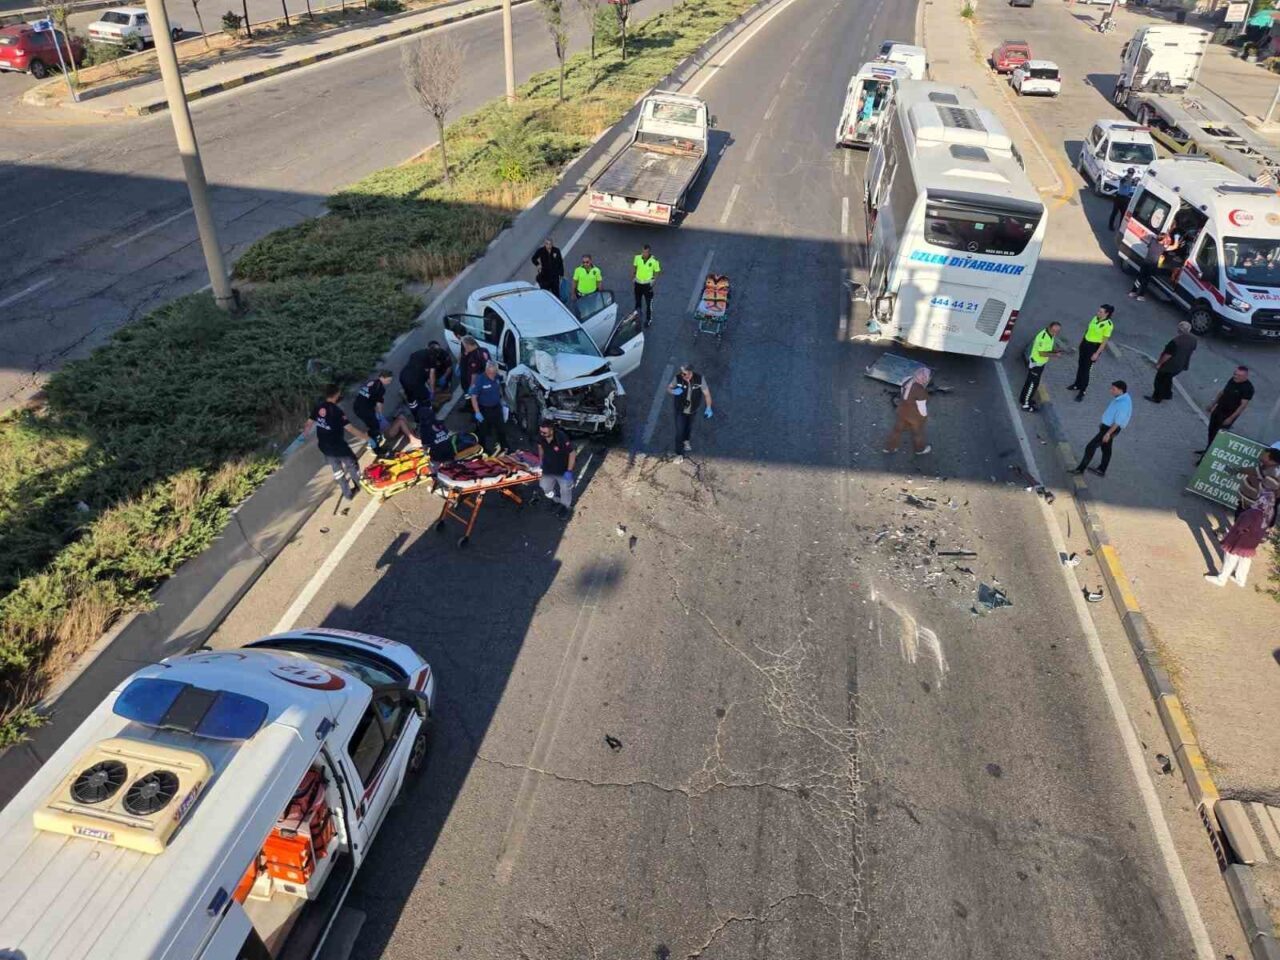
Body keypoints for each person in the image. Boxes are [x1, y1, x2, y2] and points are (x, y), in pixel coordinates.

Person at [305, 384, 368, 501]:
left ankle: (347, 494)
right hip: (338, 446)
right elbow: (350, 429)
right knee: (351, 463)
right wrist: (365, 437)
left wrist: (304, 433)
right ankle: (360, 485)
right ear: (336, 395)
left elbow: (309, 423)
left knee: (337, 469)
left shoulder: (319, 407)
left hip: (324, 446)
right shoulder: (336, 411)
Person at [1205, 490, 1274, 588]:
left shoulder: (1253, 512)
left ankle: (1221, 579)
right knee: (1245, 560)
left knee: (1230, 557)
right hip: (1252, 542)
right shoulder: (1269, 512)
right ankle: (1240, 580)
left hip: (1239, 540)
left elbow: (1241, 526)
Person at [1071, 380, 1132, 478]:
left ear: (1121, 390)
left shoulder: (1123, 404)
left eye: (1113, 389)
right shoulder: (1121, 397)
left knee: (1090, 447)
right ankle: (1101, 470)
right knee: (1106, 449)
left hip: (1109, 429)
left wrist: (1108, 434)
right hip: (1107, 427)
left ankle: (1080, 469)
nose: (1110, 391)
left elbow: (1117, 422)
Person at [1197, 366, 1254, 461]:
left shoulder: (1248, 388)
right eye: (1235, 374)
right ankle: (1208, 449)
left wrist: (1231, 418)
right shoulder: (1233, 380)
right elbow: (1222, 392)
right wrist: (1213, 404)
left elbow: (1242, 406)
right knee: (1211, 431)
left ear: (1246, 376)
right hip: (1218, 410)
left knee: (1217, 436)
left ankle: (1205, 458)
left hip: (1227, 415)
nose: (1235, 376)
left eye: (1239, 375)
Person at [353, 370, 416, 455]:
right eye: (388, 380)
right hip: (365, 410)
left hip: (358, 407)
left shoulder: (372, 382)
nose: (389, 382)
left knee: (376, 425)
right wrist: (380, 414)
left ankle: (411, 432)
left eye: (390, 380)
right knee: (374, 428)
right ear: (382, 377)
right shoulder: (380, 388)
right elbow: (379, 403)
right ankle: (375, 447)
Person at [1066, 305, 1115, 401]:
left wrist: (1097, 353)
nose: (1098, 313)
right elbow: (1088, 330)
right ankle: (1077, 384)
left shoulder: (1108, 325)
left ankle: (1082, 391)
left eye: (1101, 312)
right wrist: (1081, 343)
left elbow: (1104, 342)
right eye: (1099, 311)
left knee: (1086, 370)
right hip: (1085, 344)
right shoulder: (1095, 318)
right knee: (1080, 365)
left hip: (1094, 347)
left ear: (1106, 313)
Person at [882, 366, 932, 455]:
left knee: (897, 430)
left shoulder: (907, 380)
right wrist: (924, 417)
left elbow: (903, 393)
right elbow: (922, 409)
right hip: (914, 416)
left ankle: (889, 448)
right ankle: (920, 450)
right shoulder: (920, 392)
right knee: (917, 433)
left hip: (902, 411)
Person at [668, 364, 713, 457]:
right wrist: (673, 391)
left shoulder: (700, 379)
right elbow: (669, 387)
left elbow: (707, 394)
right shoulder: (678, 378)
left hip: (693, 410)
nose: (683, 376)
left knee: (688, 427)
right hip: (680, 410)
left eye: (685, 374)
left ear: (690, 373)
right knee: (679, 431)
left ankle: (686, 441)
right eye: (682, 373)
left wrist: (708, 408)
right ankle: (679, 454)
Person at [1147, 320, 1196, 403]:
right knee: (1168, 378)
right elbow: (1192, 350)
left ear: (1179, 330)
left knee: (1159, 380)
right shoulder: (1193, 340)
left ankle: (1157, 397)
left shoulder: (1175, 342)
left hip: (1170, 366)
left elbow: (1167, 355)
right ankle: (1167, 394)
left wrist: (1159, 364)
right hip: (1181, 365)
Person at [537, 419, 577, 519]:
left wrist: (569, 471)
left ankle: (565, 508)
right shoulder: (541, 436)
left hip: (562, 470)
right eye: (541, 431)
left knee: (565, 490)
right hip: (548, 468)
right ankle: (556, 500)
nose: (542, 434)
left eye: (545, 432)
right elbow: (540, 446)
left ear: (551, 430)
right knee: (544, 486)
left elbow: (572, 453)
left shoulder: (561, 437)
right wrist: (541, 460)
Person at [1019, 321, 1062, 411]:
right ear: (1049, 327)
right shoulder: (1043, 337)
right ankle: (1026, 405)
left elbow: (1047, 348)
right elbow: (1042, 353)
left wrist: (1054, 350)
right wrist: (1055, 355)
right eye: (1054, 330)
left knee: (1031, 382)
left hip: (1040, 363)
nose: (1055, 333)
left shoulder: (1050, 334)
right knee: (1032, 384)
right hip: (1037, 364)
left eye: (1057, 331)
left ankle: (1023, 399)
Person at [469, 360, 508, 453]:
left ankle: (504, 446)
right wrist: (477, 412)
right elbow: (473, 397)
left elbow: (500, 389)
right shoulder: (480, 380)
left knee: (501, 428)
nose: (492, 375)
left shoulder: (497, 377)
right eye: (490, 373)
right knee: (483, 431)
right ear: (486, 370)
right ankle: (482, 450)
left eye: (494, 373)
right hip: (484, 409)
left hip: (496, 407)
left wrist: (503, 401)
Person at [1237, 447, 1280, 525]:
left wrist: (1252, 478)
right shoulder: (1265, 466)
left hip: (1252, 504)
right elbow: (1255, 471)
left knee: (1242, 521)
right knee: (1239, 517)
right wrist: (1238, 470)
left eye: (1264, 455)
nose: (1261, 455)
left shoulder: (1273, 474)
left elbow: (1265, 491)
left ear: (1272, 461)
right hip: (1247, 500)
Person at [1129, 231, 1173, 302]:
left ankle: (1133, 292)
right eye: (1165, 239)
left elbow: (1155, 239)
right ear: (1163, 240)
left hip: (1145, 263)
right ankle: (1140, 296)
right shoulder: (1162, 247)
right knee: (1146, 281)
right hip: (1151, 266)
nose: (1166, 240)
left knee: (1140, 278)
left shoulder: (1153, 242)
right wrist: (1176, 238)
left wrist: (1164, 236)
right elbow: (1174, 246)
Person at [399, 350, 434, 431]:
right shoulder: (425, 368)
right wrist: (431, 390)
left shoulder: (415, 355)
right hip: (415, 381)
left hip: (403, 376)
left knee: (411, 400)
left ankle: (417, 418)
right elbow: (430, 378)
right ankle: (429, 418)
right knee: (425, 399)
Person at [632, 244, 661, 327]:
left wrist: (653, 281)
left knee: (648, 304)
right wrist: (633, 277)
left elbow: (657, 271)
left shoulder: (654, 261)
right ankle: (637, 317)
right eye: (643, 252)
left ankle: (649, 319)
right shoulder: (637, 258)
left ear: (649, 252)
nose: (644, 254)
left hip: (647, 285)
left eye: (646, 252)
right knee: (637, 302)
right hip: (638, 284)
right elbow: (634, 267)